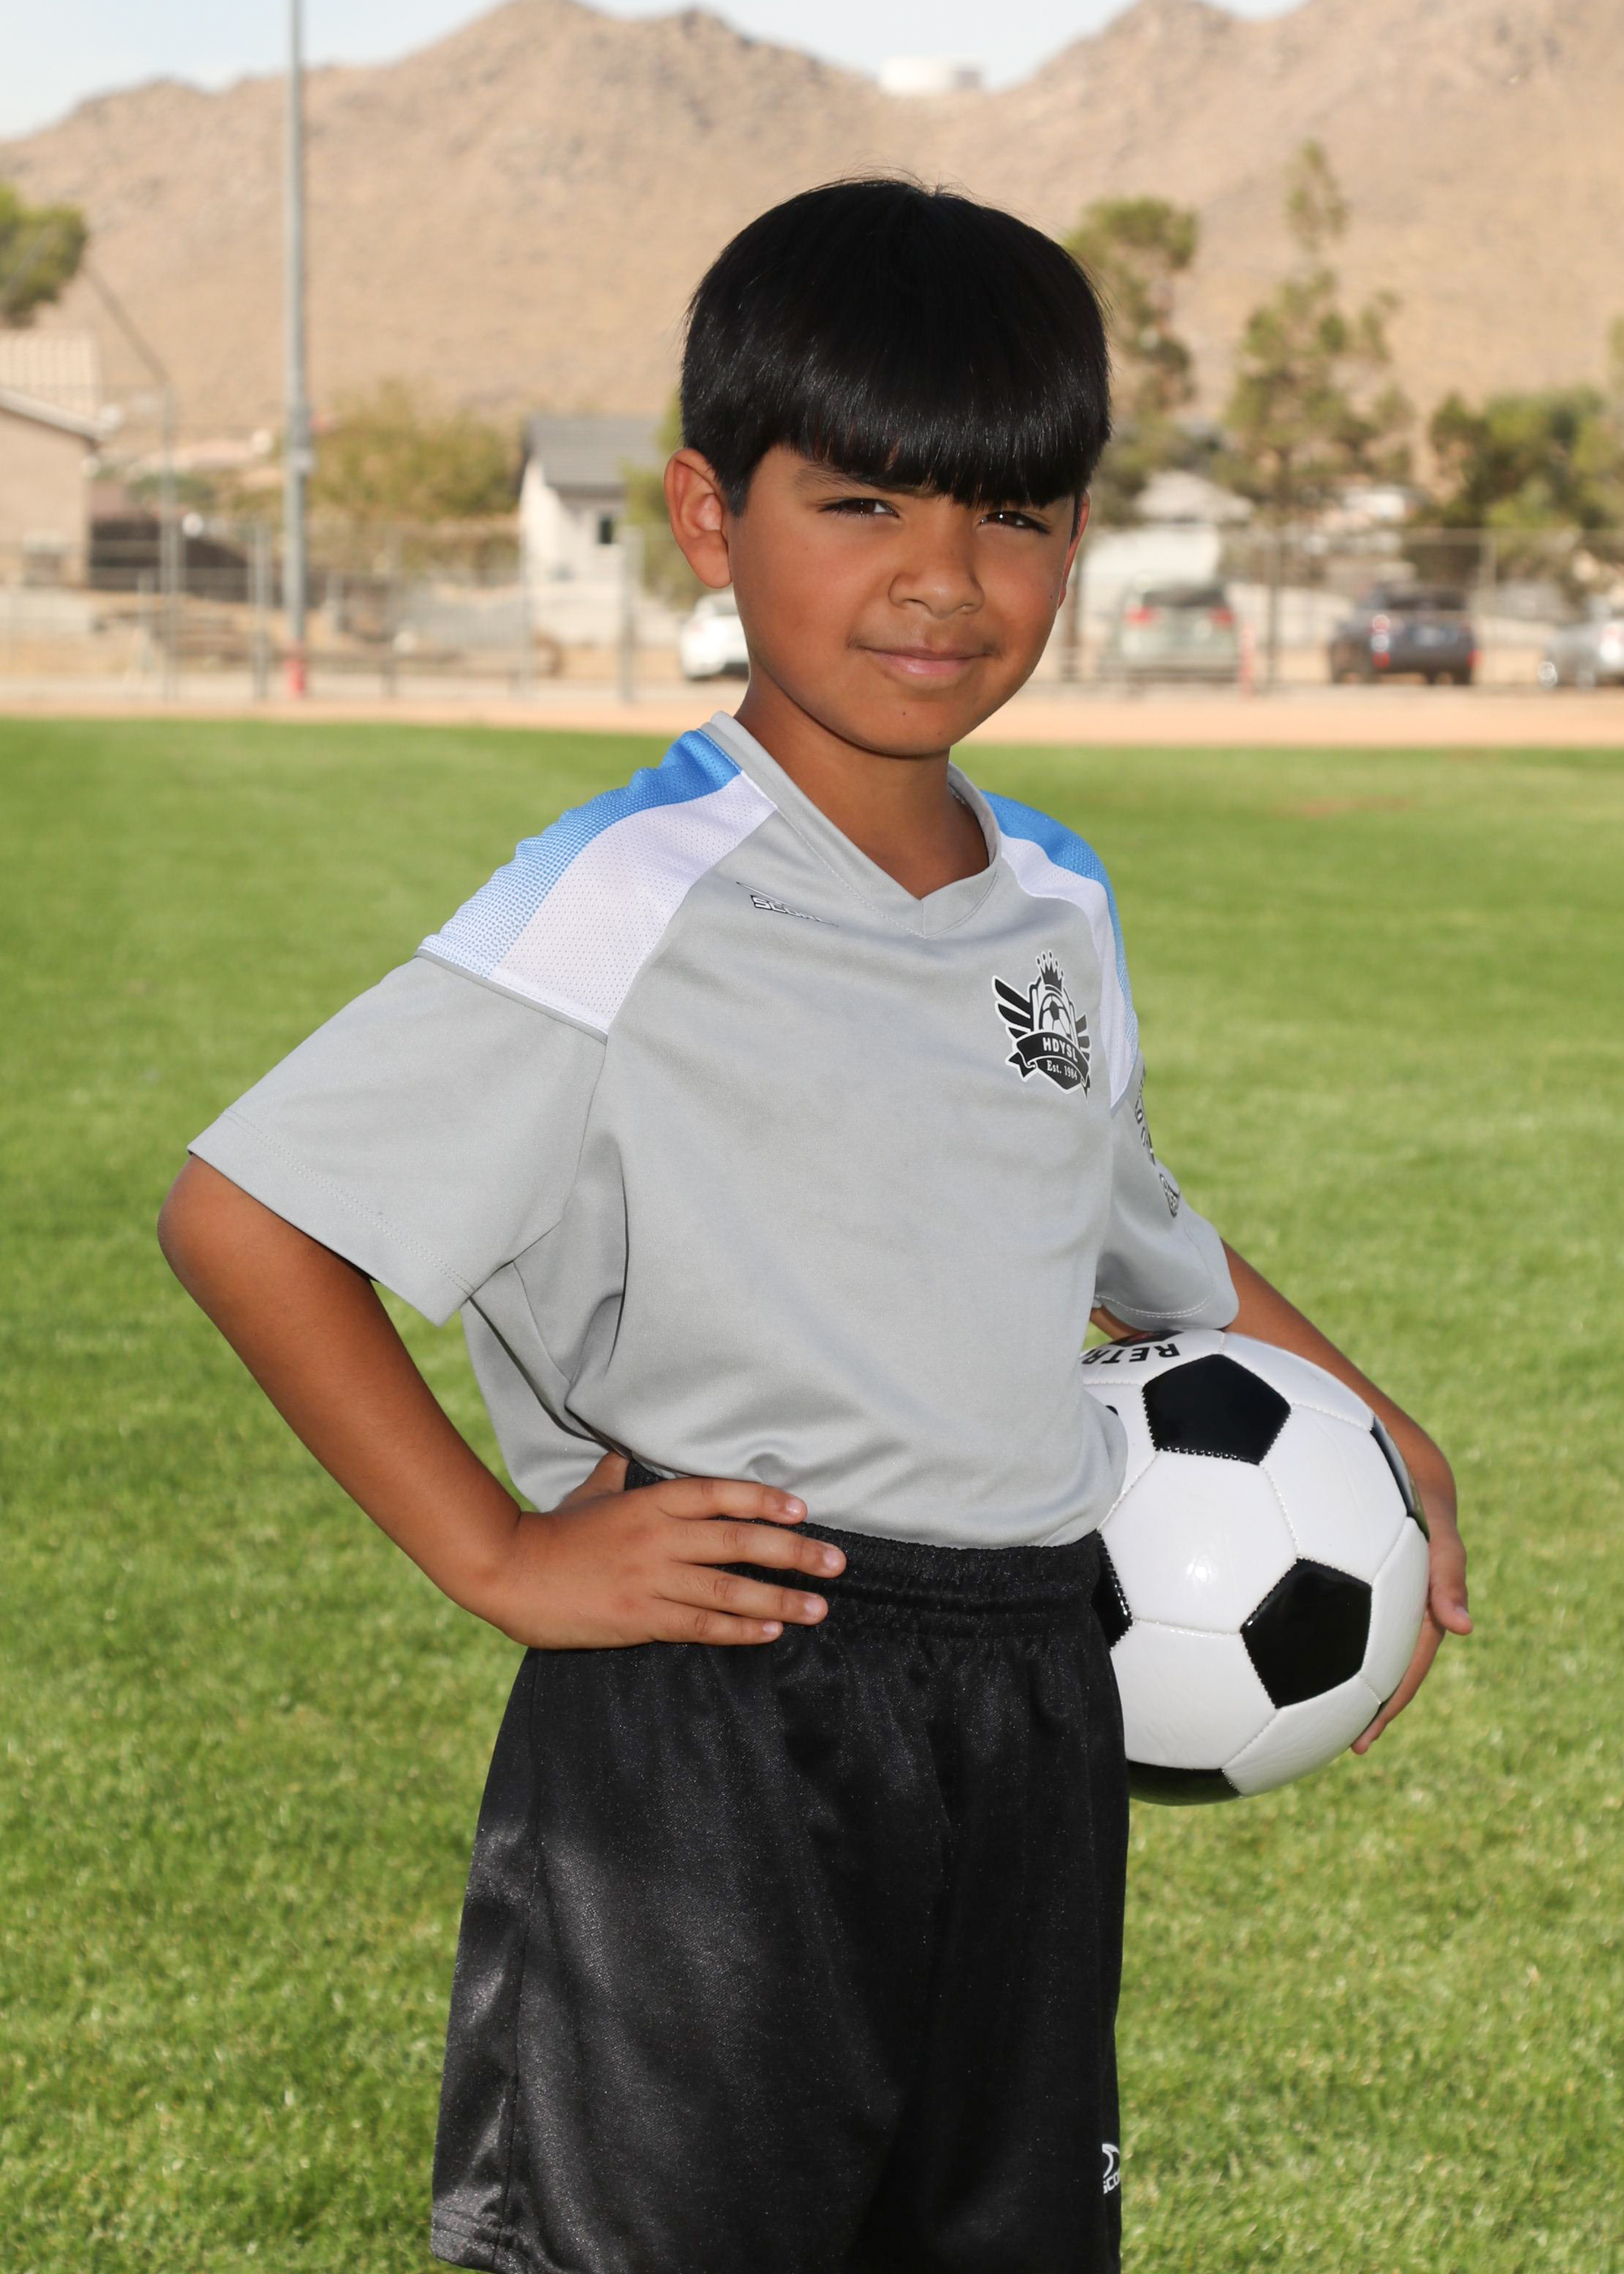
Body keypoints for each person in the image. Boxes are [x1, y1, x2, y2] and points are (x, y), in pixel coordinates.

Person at [158, 177, 1470, 2274]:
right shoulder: (621, 897)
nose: (944, 579)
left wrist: (1375, 1426)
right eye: (863, 504)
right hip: (724, 1704)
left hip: (1033, 1698)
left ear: (1074, 536)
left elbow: (1130, 1234)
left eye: (1012, 517)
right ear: (709, 515)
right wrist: (499, 1554)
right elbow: (245, 1217)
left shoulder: (1056, 899)